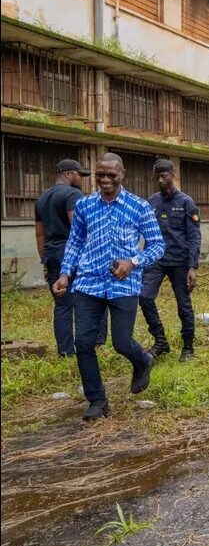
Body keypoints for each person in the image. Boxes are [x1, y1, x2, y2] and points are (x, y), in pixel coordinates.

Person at [53, 154, 165, 420]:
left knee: (122, 342)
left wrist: (133, 261)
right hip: (88, 283)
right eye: (100, 174)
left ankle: (143, 360)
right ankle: (97, 401)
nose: (105, 180)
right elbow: (76, 242)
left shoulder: (139, 206)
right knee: (83, 342)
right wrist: (65, 273)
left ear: (122, 174)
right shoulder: (85, 205)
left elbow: (158, 245)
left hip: (123, 285)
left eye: (111, 175)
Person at [35, 159, 106, 356]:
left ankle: (65, 351)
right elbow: (79, 230)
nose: (81, 179)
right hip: (72, 255)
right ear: (68, 174)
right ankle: (97, 342)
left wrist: (45, 261)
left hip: (52, 254)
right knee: (96, 296)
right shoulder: (73, 194)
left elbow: (39, 234)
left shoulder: (42, 198)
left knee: (63, 305)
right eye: (79, 175)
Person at [140, 159, 202, 362]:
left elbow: (194, 236)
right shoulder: (152, 202)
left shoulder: (186, 202)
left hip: (179, 261)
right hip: (156, 259)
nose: (160, 180)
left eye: (164, 176)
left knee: (183, 304)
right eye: (157, 176)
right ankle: (160, 341)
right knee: (144, 296)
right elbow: (145, 232)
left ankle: (188, 348)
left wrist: (192, 266)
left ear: (172, 175)